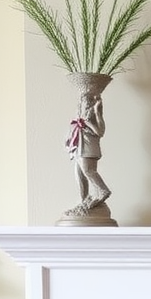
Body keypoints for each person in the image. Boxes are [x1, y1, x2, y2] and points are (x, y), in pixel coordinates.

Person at [64, 85, 111, 217]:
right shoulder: (78, 120)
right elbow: (73, 132)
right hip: (78, 150)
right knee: (79, 174)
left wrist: (93, 115)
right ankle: (83, 201)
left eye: (86, 106)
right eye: (82, 106)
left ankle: (103, 190)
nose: (83, 109)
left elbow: (100, 132)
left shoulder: (95, 117)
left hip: (89, 150)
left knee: (88, 171)